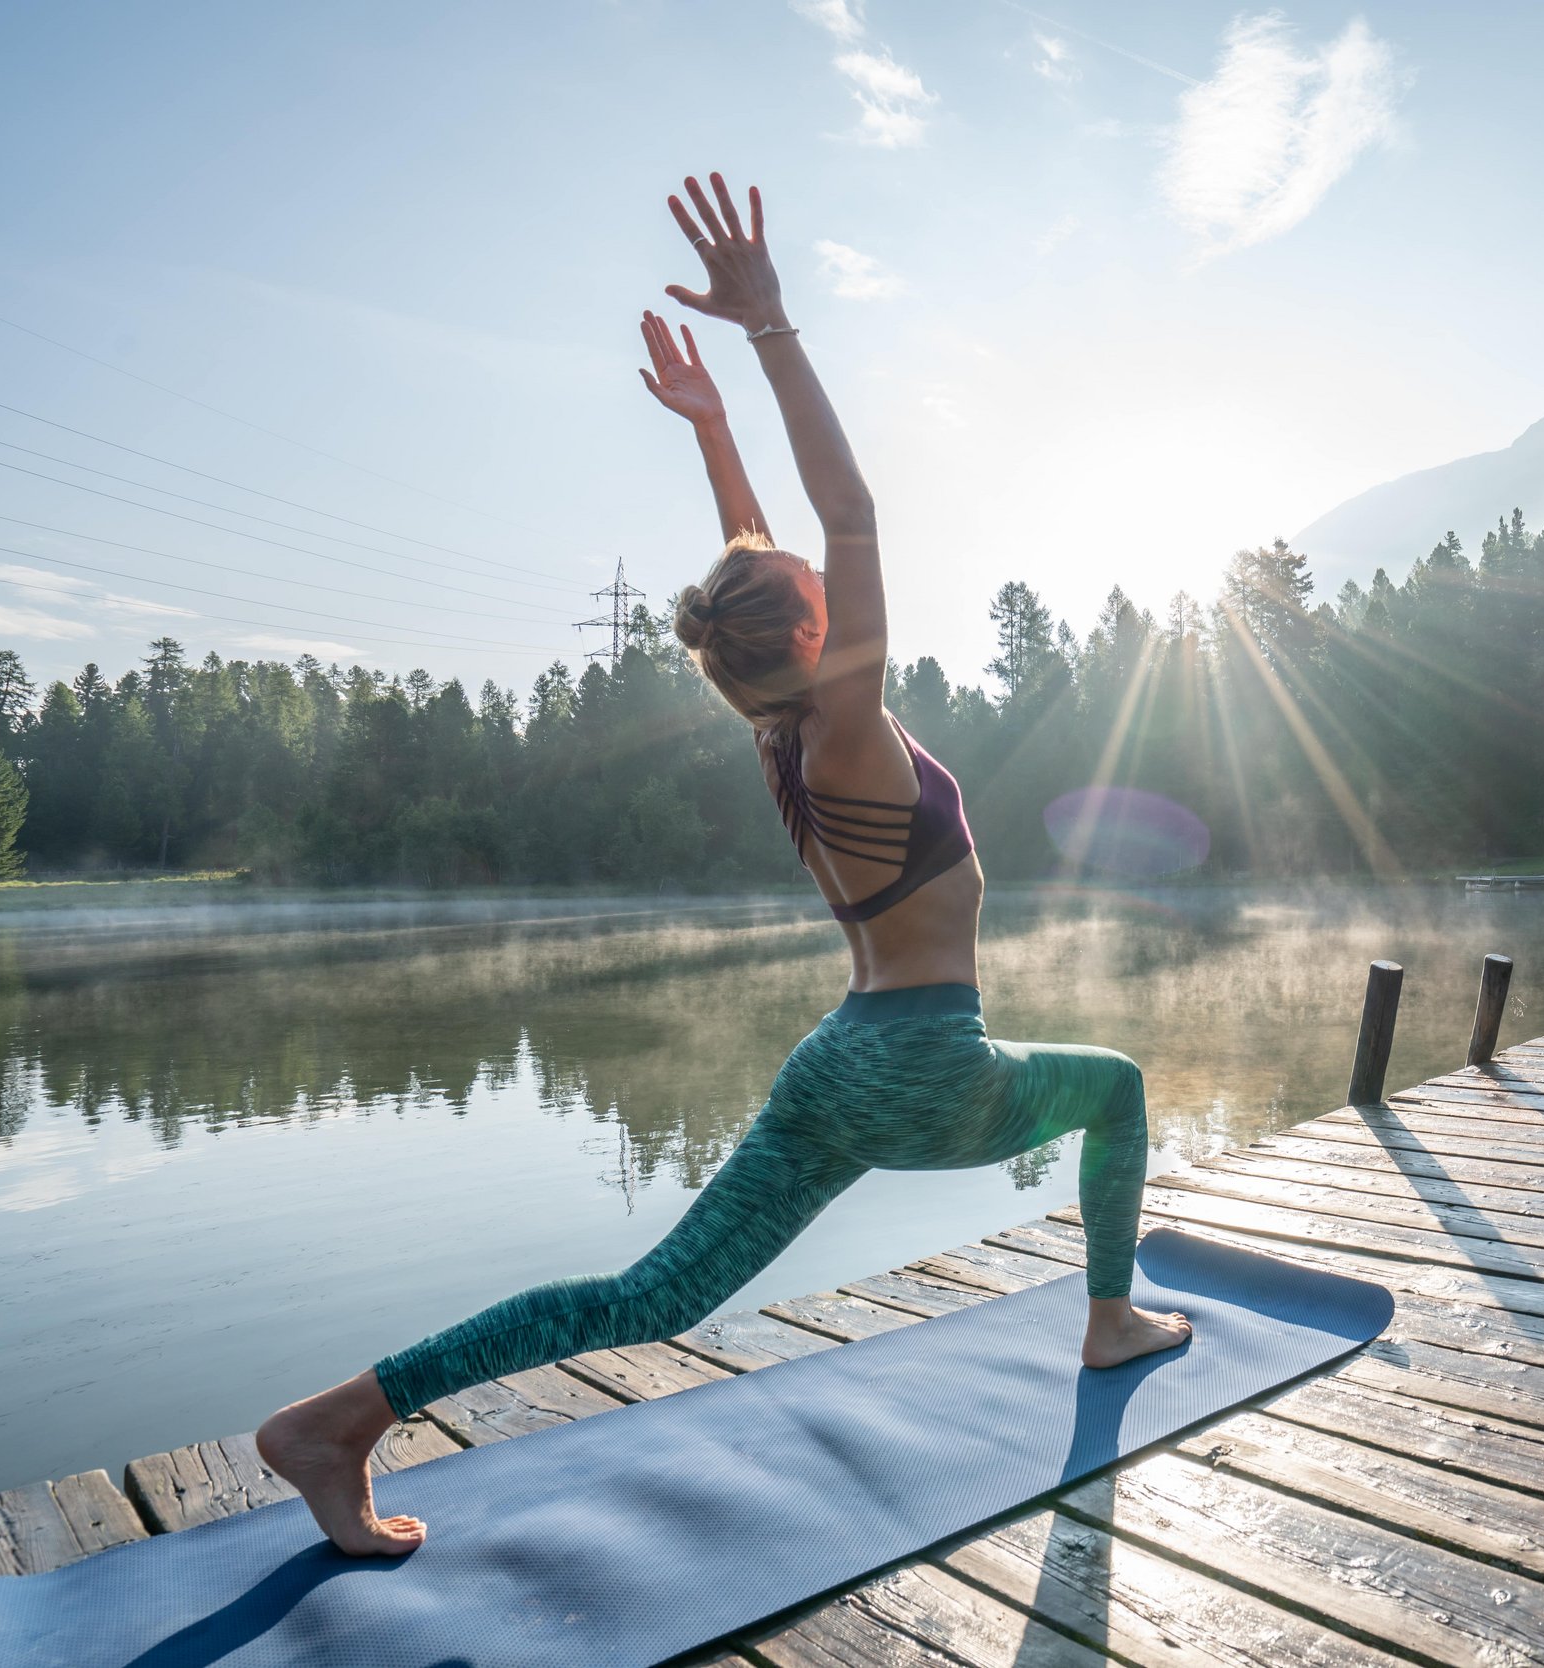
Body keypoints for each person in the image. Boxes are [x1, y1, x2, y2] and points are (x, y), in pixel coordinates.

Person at [257, 171, 1191, 1556]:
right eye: (808, 581)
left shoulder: (785, 726)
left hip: (838, 1065)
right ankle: (1110, 1319)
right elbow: (853, 513)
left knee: (651, 1298)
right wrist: (769, 334)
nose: (815, 565)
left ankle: (342, 1417)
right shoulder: (850, 729)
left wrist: (709, 437)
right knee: (1113, 1094)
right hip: (928, 1062)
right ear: (811, 630)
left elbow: (761, 572)